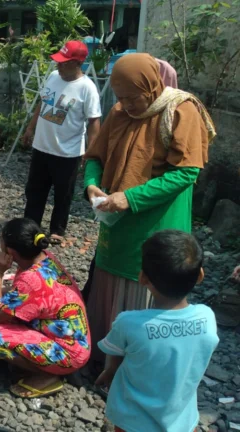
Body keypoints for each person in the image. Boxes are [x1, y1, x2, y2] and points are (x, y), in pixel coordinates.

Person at [83, 53, 216, 370]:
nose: (126, 104)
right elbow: (95, 156)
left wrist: (130, 198)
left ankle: (138, 364)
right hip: (114, 217)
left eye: (133, 97)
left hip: (157, 218)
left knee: (148, 276)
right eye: (120, 97)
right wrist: (91, 185)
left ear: (152, 86)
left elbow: (186, 173)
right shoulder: (119, 112)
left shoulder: (181, 109)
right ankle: (103, 354)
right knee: (109, 275)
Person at [95, 230, 218, 432]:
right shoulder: (207, 319)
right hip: (182, 419)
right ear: (200, 276)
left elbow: (114, 357)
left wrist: (109, 372)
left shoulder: (128, 323)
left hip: (132, 420)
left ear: (143, 277)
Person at [0, 218, 90, 398]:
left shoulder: (31, 279)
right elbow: (19, 292)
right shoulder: (43, 259)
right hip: (72, 340)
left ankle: (48, 374)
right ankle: (41, 364)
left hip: (67, 352)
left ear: (10, 251)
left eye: (1, 240)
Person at [22, 41, 101, 244]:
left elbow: (94, 122)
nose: (58, 66)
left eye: (63, 63)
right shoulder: (54, 77)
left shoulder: (87, 88)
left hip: (68, 152)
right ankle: (31, 226)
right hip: (42, 146)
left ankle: (57, 229)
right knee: (35, 190)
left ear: (77, 63)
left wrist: (91, 151)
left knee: (63, 193)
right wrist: (30, 128)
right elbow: (43, 103)